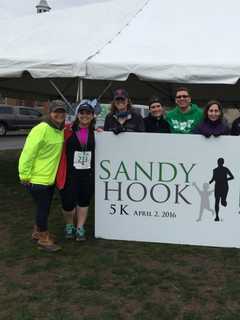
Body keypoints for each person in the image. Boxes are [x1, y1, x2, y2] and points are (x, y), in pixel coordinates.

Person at [18, 100, 66, 252]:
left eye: (62, 112)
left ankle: (37, 232)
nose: (59, 114)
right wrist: (24, 174)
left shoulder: (59, 129)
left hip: (49, 179)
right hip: (37, 179)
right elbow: (28, 152)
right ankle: (44, 239)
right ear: (49, 113)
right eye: (56, 112)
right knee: (43, 209)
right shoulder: (41, 129)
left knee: (43, 207)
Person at [56, 100, 95, 241]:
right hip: (70, 173)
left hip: (88, 174)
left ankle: (80, 227)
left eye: (88, 113)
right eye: (82, 113)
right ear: (77, 114)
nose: (85, 115)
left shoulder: (96, 132)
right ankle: (69, 225)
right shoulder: (67, 130)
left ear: (92, 115)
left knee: (84, 201)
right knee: (68, 202)